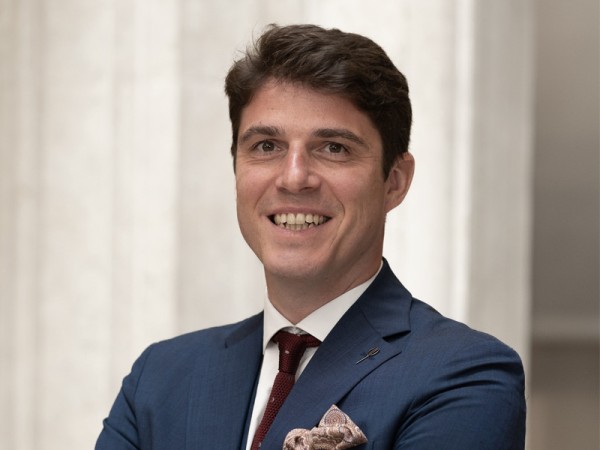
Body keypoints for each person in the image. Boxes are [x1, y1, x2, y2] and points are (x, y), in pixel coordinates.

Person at [96, 24, 526, 449]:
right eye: (267, 146)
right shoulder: (159, 378)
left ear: (394, 181)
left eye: (334, 147)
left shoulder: (466, 375)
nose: (294, 177)